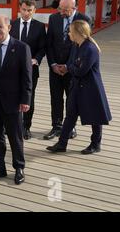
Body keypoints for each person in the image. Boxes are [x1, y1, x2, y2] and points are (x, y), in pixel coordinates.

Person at [47, 20, 111, 154]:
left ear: (77, 33)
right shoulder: (77, 45)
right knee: (70, 115)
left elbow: (81, 70)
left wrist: (69, 68)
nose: (69, 33)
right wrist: (69, 67)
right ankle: (62, 143)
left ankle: (95, 144)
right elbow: (74, 64)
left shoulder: (90, 49)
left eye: (70, 31)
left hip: (91, 88)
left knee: (96, 117)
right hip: (76, 86)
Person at [0, 15, 32, 185]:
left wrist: (26, 99)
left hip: (14, 100)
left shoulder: (21, 48)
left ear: (9, 27)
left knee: (15, 136)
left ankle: (19, 167)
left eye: (0, 27)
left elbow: (27, 76)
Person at [45, 0, 91, 140]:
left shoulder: (84, 20)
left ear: (74, 8)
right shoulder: (54, 18)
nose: (61, 12)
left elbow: (80, 47)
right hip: (55, 68)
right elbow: (49, 43)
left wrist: (67, 66)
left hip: (73, 68)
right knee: (55, 97)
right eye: (60, 8)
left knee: (72, 98)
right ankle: (56, 126)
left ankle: (70, 126)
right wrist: (53, 64)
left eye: (65, 10)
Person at [10, 0, 46, 140]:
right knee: (12, 96)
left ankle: (26, 127)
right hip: (12, 68)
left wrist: (36, 59)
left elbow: (43, 47)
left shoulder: (39, 26)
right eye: (24, 9)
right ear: (20, 9)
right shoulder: (11, 24)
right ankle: (13, 124)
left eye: (29, 10)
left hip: (31, 68)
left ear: (34, 11)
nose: (26, 13)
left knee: (29, 97)